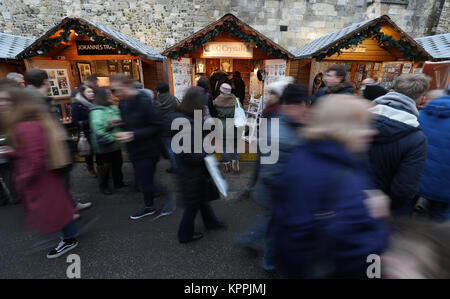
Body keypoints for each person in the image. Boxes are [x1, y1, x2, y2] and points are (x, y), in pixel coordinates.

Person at [273, 94, 390, 278]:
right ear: (343, 128)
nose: (372, 132)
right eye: (362, 125)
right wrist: (379, 220)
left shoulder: (302, 155)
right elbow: (360, 252)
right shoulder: (346, 178)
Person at [235, 83, 309, 273]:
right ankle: (269, 262)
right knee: (275, 227)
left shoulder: (287, 125)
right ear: (293, 105)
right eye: (304, 104)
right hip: (277, 193)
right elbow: (272, 172)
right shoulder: (281, 133)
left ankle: (252, 243)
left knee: (272, 223)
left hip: (273, 191)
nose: (306, 109)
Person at [0, 86, 79, 259]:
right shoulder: (25, 121)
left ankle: (69, 239)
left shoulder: (25, 125)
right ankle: (70, 235)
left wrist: (24, 178)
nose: (2, 104)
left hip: (41, 178)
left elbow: (35, 159)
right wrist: (11, 151)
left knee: (56, 209)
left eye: (6, 100)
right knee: (60, 207)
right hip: (46, 176)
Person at [368, 73, 431, 215]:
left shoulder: (359, 117)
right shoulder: (416, 138)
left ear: (392, 92)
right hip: (383, 209)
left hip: (349, 197)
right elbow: (404, 188)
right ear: (421, 99)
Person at [170, 87, 226, 243]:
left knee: (201, 199)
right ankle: (184, 235)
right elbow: (186, 154)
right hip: (191, 172)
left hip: (194, 171)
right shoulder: (185, 122)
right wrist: (206, 155)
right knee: (193, 204)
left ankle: (211, 222)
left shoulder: (187, 117)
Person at [111, 74, 163, 220]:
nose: (115, 94)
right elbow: (131, 122)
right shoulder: (122, 102)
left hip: (149, 149)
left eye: (116, 90)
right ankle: (159, 195)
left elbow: (157, 126)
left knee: (144, 179)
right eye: (112, 91)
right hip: (134, 149)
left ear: (127, 86)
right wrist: (120, 122)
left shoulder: (144, 101)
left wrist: (133, 134)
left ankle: (149, 206)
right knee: (143, 178)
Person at [417, 91, 450, 222]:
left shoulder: (419, 115)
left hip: (416, 178)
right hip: (445, 184)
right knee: (440, 218)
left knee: (402, 216)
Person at [89, 87, 125, 195]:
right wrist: (112, 125)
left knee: (117, 163)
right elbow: (99, 130)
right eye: (109, 94)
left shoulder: (112, 107)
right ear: (102, 96)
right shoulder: (96, 111)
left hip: (115, 142)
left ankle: (118, 182)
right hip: (104, 144)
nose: (112, 96)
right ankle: (104, 186)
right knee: (105, 168)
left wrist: (116, 122)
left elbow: (119, 119)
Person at [71, 85, 98, 178]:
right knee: (89, 154)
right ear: (83, 93)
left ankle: (101, 168)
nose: (92, 94)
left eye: (92, 92)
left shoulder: (95, 103)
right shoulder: (76, 104)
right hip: (86, 133)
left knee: (98, 152)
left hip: (96, 132)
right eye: (89, 92)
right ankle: (90, 168)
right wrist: (91, 121)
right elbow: (75, 121)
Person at [213, 83, 239, 172]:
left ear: (221, 90)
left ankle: (226, 166)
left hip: (222, 126)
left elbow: (213, 113)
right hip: (233, 125)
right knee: (235, 146)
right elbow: (240, 112)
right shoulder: (236, 100)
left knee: (224, 147)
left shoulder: (216, 101)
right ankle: (235, 166)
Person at [154, 82, 178, 173]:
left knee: (169, 148)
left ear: (158, 91)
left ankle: (175, 167)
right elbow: (178, 109)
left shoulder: (157, 102)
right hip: (175, 124)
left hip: (163, 127)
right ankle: (178, 165)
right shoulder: (173, 99)